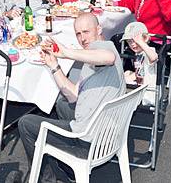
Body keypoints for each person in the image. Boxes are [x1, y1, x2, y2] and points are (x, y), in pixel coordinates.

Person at [18, 13, 124, 183]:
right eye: (78, 34)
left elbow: (108, 58)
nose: (82, 38)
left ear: (99, 29)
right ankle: (70, 168)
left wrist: (66, 52)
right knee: (62, 103)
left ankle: (47, 179)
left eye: (86, 32)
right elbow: (73, 94)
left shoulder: (106, 47)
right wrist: (54, 66)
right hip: (105, 130)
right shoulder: (92, 56)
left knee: (25, 123)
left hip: (90, 140)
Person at [121, 22, 158, 106]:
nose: (133, 44)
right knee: (126, 73)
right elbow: (141, 72)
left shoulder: (149, 51)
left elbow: (154, 57)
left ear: (145, 39)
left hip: (147, 94)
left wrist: (141, 43)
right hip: (142, 84)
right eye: (129, 41)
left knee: (119, 83)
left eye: (135, 41)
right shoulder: (139, 53)